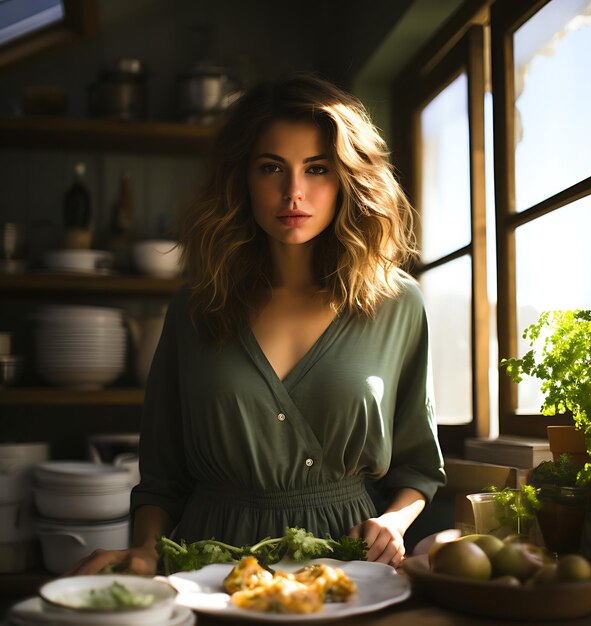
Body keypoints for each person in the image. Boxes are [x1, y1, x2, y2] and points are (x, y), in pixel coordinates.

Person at [71, 73, 445, 576]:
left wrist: (394, 523)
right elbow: (162, 478)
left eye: (317, 169)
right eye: (273, 168)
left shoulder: (397, 304)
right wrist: (144, 550)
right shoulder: (195, 308)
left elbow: (418, 465)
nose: (294, 192)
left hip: (349, 571)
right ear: (242, 179)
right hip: (209, 571)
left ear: (347, 180)